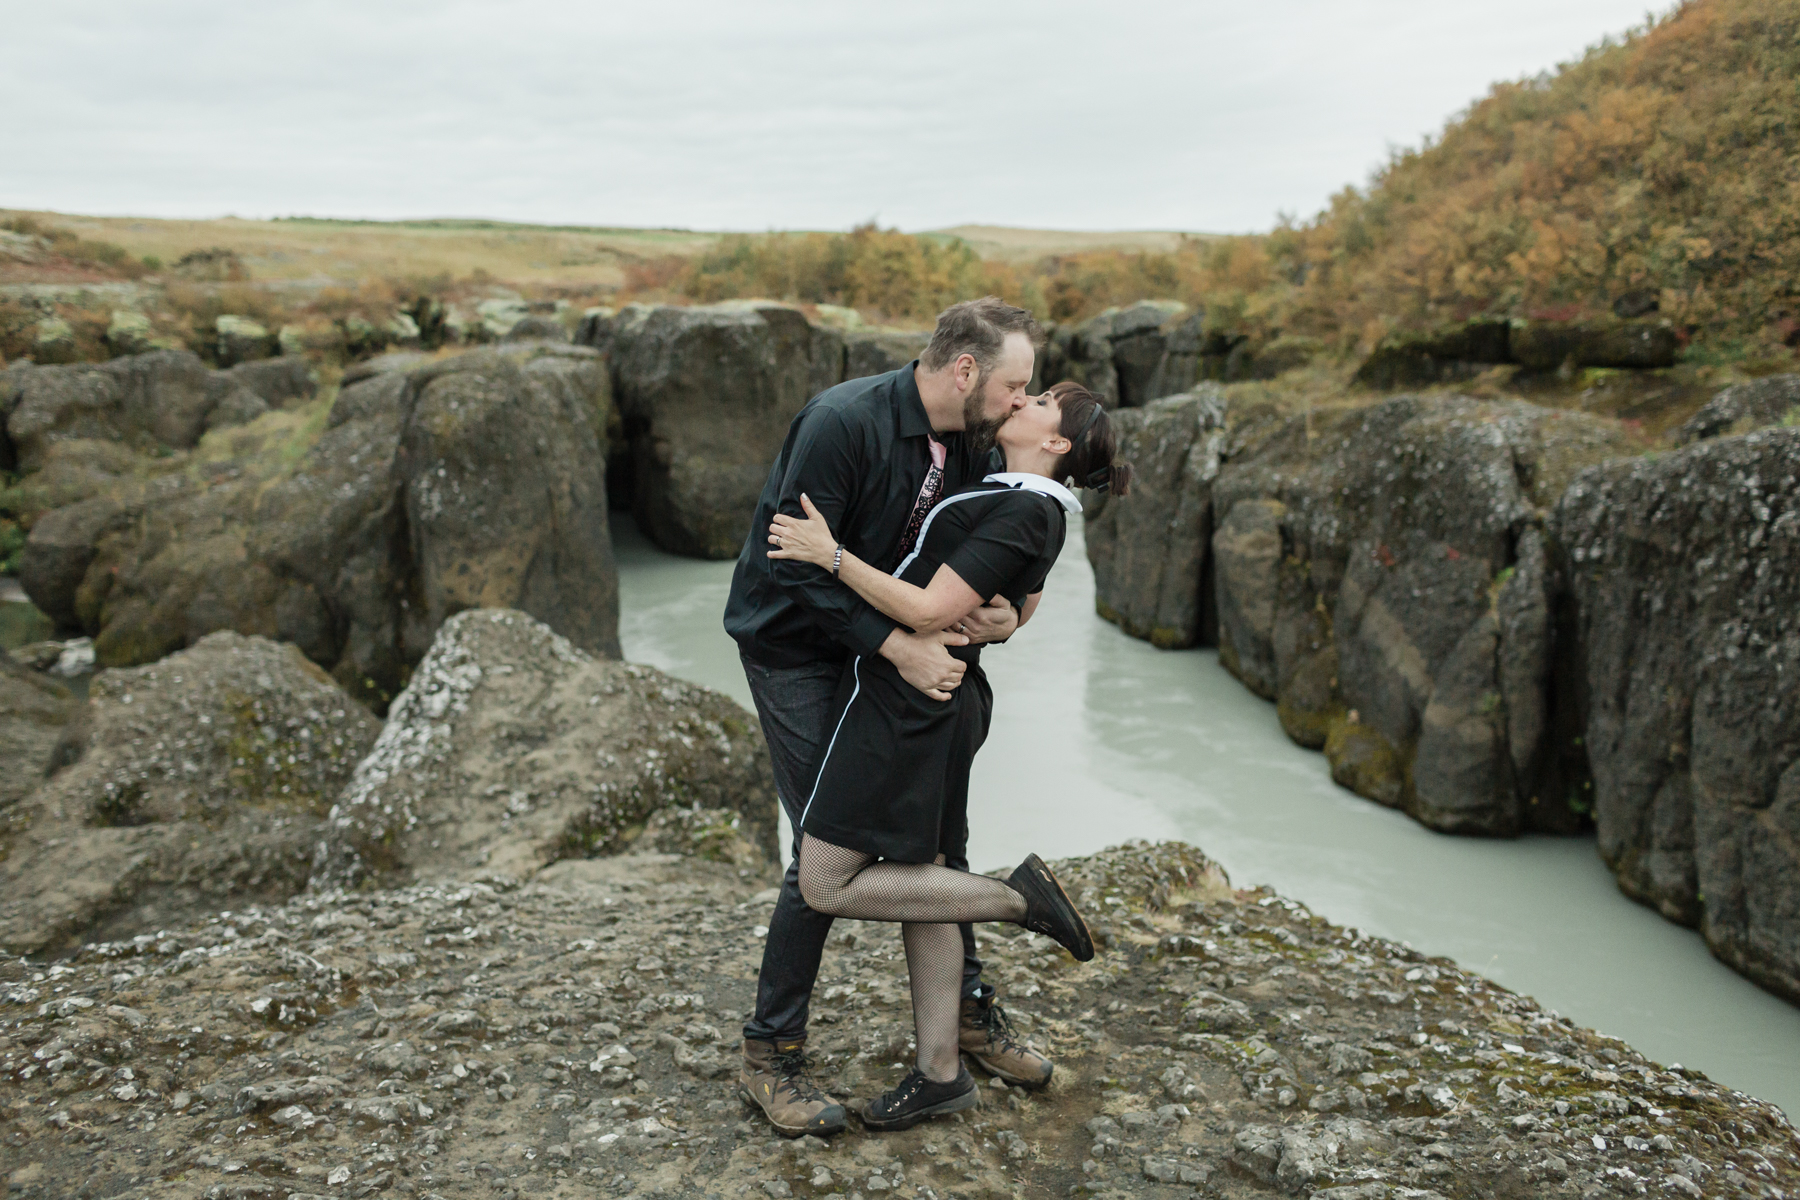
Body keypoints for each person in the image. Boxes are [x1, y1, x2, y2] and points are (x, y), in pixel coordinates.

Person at [723, 297, 1055, 1138]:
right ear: (966, 370)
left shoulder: (983, 440)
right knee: (824, 853)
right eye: (1016, 385)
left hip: (897, 654)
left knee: (936, 839)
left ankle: (968, 1019)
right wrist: (895, 644)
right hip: (799, 652)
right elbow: (787, 561)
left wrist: (1010, 616)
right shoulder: (843, 422)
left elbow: (1000, 551)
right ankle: (771, 1055)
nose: (1023, 401)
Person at [764, 380, 1132, 1130]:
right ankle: (940, 1071)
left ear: (1056, 443)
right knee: (919, 875)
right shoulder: (1022, 497)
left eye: (1039, 403)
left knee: (826, 879)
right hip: (930, 701)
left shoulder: (1026, 507)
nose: (1022, 401)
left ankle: (1018, 901)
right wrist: (1001, 618)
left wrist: (827, 553)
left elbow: (930, 609)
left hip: (902, 711)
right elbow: (1015, 604)